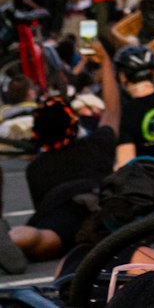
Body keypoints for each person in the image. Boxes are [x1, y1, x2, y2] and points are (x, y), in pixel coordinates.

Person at [0, 40, 121, 269]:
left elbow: (44, 209)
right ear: (73, 127)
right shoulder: (95, 145)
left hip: (60, 209)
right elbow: (112, 111)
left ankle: (13, 236)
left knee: (45, 237)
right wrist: (105, 62)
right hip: (96, 204)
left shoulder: (35, 168)